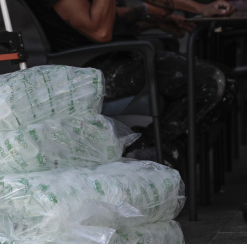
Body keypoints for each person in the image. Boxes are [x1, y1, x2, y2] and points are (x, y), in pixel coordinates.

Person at [24, 0, 236, 169]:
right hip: (89, 70)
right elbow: (99, 31)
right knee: (209, 81)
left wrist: (151, 16)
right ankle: (147, 154)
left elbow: (109, 15)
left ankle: (157, 156)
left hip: (117, 56)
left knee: (227, 80)